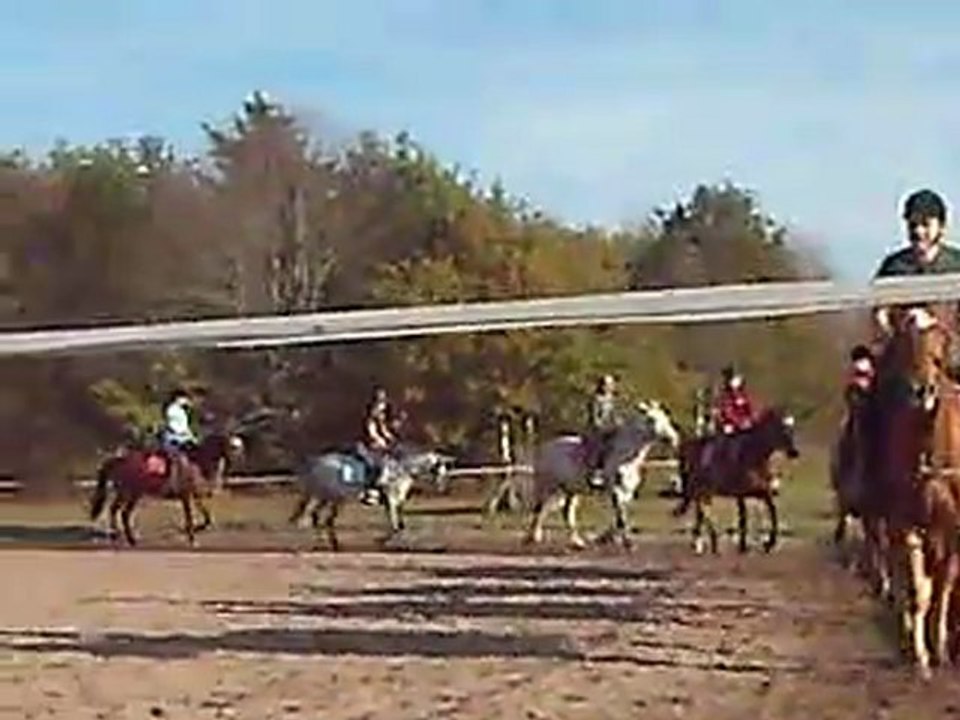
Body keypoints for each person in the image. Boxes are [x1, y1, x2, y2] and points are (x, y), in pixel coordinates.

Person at [872, 189, 960, 348]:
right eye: (913, 225)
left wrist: (936, 322)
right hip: (905, 349)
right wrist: (900, 321)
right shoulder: (893, 267)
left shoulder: (956, 264)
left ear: (941, 226)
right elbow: (880, 311)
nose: (918, 231)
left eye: (926, 224)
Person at [356, 386, 398, 505]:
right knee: (377, 464)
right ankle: (369, 491)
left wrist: (391, 438)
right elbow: (371, 431)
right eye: (381, 402)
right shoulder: (369, 416)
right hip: (366, 444)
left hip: (376, 444)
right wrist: (380, 441)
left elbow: (383, 430)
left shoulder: (380, 417)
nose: (383, 407)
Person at [159, 388, 199, 493]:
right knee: (177, 459)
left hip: (184, 438)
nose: (185, 400)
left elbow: (185, 427)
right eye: (183, 398)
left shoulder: (182, 411)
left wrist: (191, 437)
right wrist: (184, 435)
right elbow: (173, 426)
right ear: (177, 399)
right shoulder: (171, 410)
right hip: (173, 438)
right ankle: (173, 483)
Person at [586, 374, 621, 489]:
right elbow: (595, 418)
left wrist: (619, 423)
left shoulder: (611, 399)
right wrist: (604, 427)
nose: (609, 387)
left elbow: (614, 415)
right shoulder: (596, 400)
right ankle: (596, 473)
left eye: (611, 385)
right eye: (606, 385)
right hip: (597, 430)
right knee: (601, 447)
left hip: (610, 429)